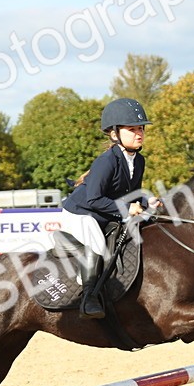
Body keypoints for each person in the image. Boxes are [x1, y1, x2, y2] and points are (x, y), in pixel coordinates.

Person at [61, 97, 158, 318]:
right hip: (80, 212)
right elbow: (94, 200)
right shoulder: (106, 161)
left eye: (141, 129)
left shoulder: (139, 160)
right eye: (132, 129)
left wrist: (146, 203)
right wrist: (127, 209)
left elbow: (130, 196)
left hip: (103, 210)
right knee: (97, 243)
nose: (139, 133)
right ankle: (88, 298)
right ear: (115, 134)